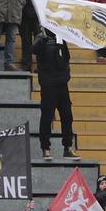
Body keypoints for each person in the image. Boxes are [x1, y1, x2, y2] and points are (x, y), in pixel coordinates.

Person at [34, 31, 77, 160]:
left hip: (62, 84)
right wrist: (42, 40)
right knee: (47, 117)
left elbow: (66, 57)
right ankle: (46, 148)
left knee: (67, 116)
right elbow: (33, 50)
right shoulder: (41, 36)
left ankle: (68, 147)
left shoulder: (61, 38)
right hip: (48, 85)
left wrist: (66, 76)